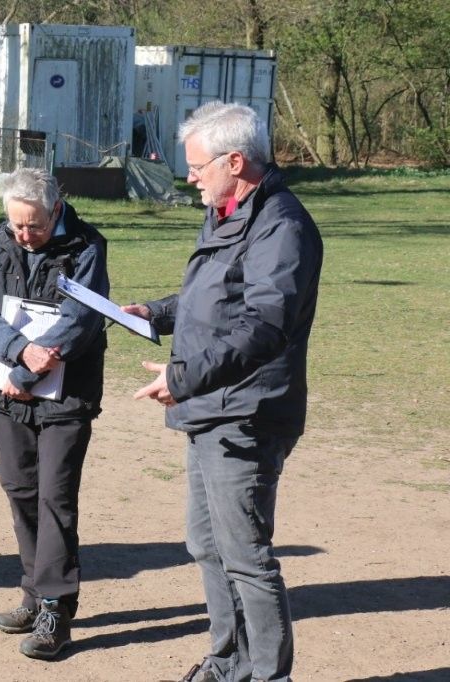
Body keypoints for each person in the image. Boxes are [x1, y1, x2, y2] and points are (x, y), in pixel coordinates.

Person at [125, 102, 323, 682]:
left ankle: (268, 675)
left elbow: (263, 325)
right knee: (207, 545)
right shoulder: (228, 211)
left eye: (197, 166)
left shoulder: (281, 226)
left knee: (246, 556)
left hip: (248, 413)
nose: (190, 177)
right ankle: (228, 661)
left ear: (235, 162)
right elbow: (216, 297)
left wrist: (182, 378)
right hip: (210, 406)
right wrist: (156, 314)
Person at [0, 167, 109, 660]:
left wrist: (27, 371)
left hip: (65, 396)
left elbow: (81, 321)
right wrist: (18, 354)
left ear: (56, 210)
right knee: (20, 490)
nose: (25, 235)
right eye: (17, 225)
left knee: (55, 498)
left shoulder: (87, 247)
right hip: (7, 390)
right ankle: (32, 593)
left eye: (35, 226)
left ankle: (56, 609)